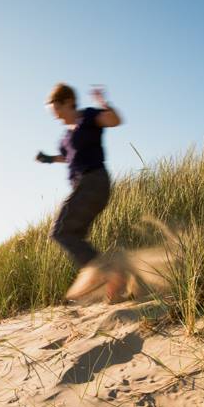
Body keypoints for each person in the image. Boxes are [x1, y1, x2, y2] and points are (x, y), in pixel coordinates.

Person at [36, 83, 126, 301]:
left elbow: (114, 120)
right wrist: (48, 159)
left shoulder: (88, 118)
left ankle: (111, 274)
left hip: (94, 181)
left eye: (57, 111)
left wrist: (102, 102)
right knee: (72, 234)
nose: (56, 117)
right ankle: (113, 283)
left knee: (60, 231)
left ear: (68, 102)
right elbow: (66, 157)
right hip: (84, 187)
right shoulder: (66, 137)